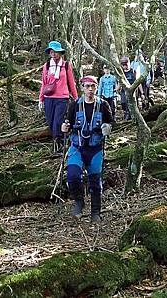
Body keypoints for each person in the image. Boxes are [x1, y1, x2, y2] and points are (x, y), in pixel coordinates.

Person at [61, 76, 113, 223]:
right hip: (77, 147)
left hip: (95, 149)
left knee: (95, 181)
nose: (90, 89)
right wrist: (63, 128)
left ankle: (95, 212)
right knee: (72, 175)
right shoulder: (74, 105)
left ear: (97, 88)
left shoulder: (103, 105)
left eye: (93, 86)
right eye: (87, 86)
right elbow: (67, 123)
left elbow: (110, 122)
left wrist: (107, 128)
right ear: (82, 87)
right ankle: (79, 202)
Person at [39, 40, 78, 153]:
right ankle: (56, 141)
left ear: (60, 53)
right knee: (51, 122)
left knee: (58, 121)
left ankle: (59, 142)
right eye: (51, 52)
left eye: (55, 52)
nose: (53, 54)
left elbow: (71, 83)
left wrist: (76, 98)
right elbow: (44, 83)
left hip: (62, 98)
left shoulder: (66, 65)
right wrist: (41, 99)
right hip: (49, 98)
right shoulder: (46, 66)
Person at [119, 56, 135, 120]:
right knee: (123, 103)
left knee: (130, 104)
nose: (125, 66)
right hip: (123, 91)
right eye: (123, 65)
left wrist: (142, 93)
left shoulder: (133, 71)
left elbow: (137, 82)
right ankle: (126, 114)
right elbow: (120, 82)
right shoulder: (121, 73)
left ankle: (129, 117)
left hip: (132, 91)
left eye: (126, 64)